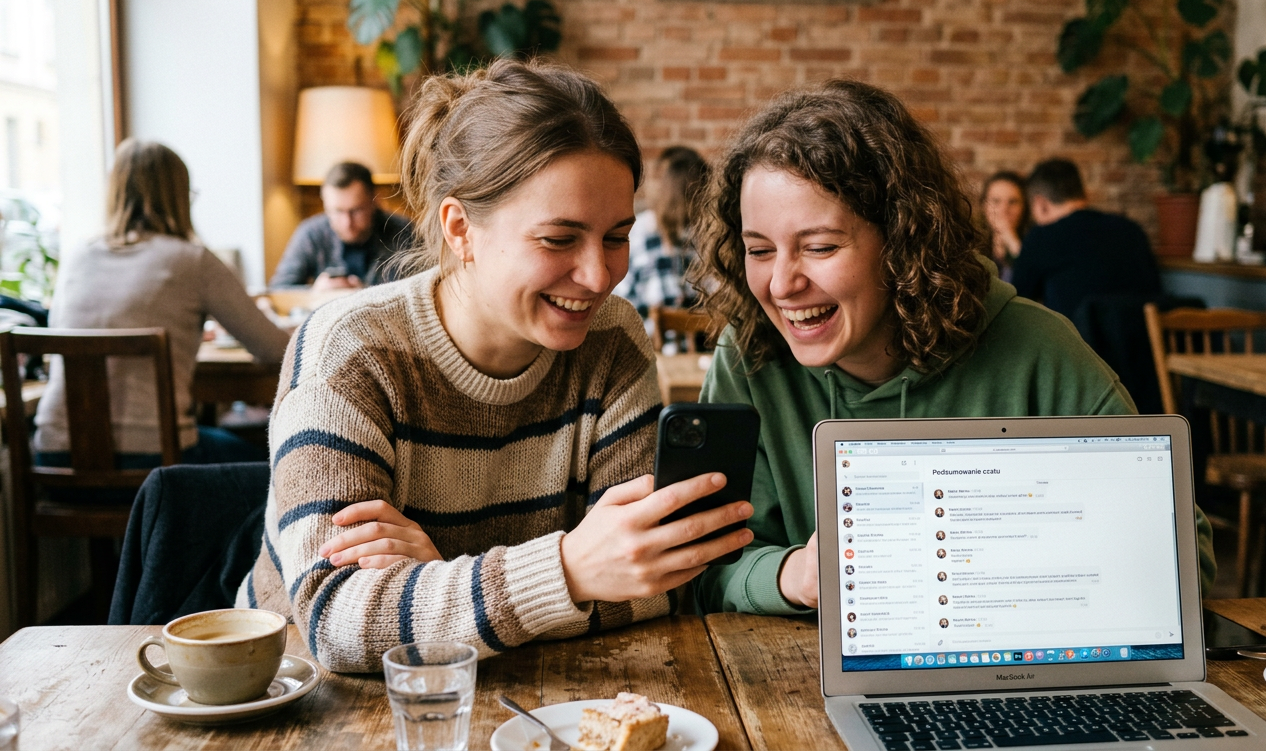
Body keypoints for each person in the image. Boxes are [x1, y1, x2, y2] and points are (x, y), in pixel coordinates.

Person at [235, 60, 750, 673]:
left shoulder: (613, 340)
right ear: (461, 229)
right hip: (306, 698)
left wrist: (431, 578)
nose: (599, 275)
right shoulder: (348, 350)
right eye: (559, 239)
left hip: (532, 691)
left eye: (616, 236)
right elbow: (337, 623)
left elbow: (655, 580)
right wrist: (570, 570)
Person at [688, 80, 1215, 616]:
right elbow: (698, 569)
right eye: (759, 249)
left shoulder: (1036, 348)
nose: (780, 285)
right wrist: (792, 575)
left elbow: (1182, 555)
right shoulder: (749, 354)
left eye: (820, 247)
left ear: (902, 240)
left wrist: (998, 566)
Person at [33, 139, 290, 480]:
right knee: (274, 466)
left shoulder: (77, 257)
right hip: (155, 468)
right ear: (179, 196)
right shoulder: (192, 260)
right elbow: (275, 349)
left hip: (55, 458)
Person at [1009, 158, 1160, 319]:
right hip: (1143, 341)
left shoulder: (1042, 236)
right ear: (1083, 194)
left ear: (1041, 203)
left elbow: (1017, 304)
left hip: (1076, 342)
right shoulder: (1131, 229)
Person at [269, 162, 415, 289]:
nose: (347, 223)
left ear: (375, 200)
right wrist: (314, 292)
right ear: (325, 204)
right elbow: (280, 289)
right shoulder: (311, 233)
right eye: (338, 211)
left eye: (356, 210)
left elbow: (421, 289)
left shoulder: (404, 233)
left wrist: (363, 293)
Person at [612, 147, 710, 318]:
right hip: (706, 340)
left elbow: (621, 297)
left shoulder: (640, 230)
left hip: (648, 340)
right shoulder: (711, 233)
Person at [980, 171, 1029, 282]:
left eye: (1012, 202)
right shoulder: (971, 245)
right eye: (996, 201)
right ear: (984, 205)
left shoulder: (1035, 243)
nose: (1004, 210)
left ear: (1025, 207)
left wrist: (1012, 241)